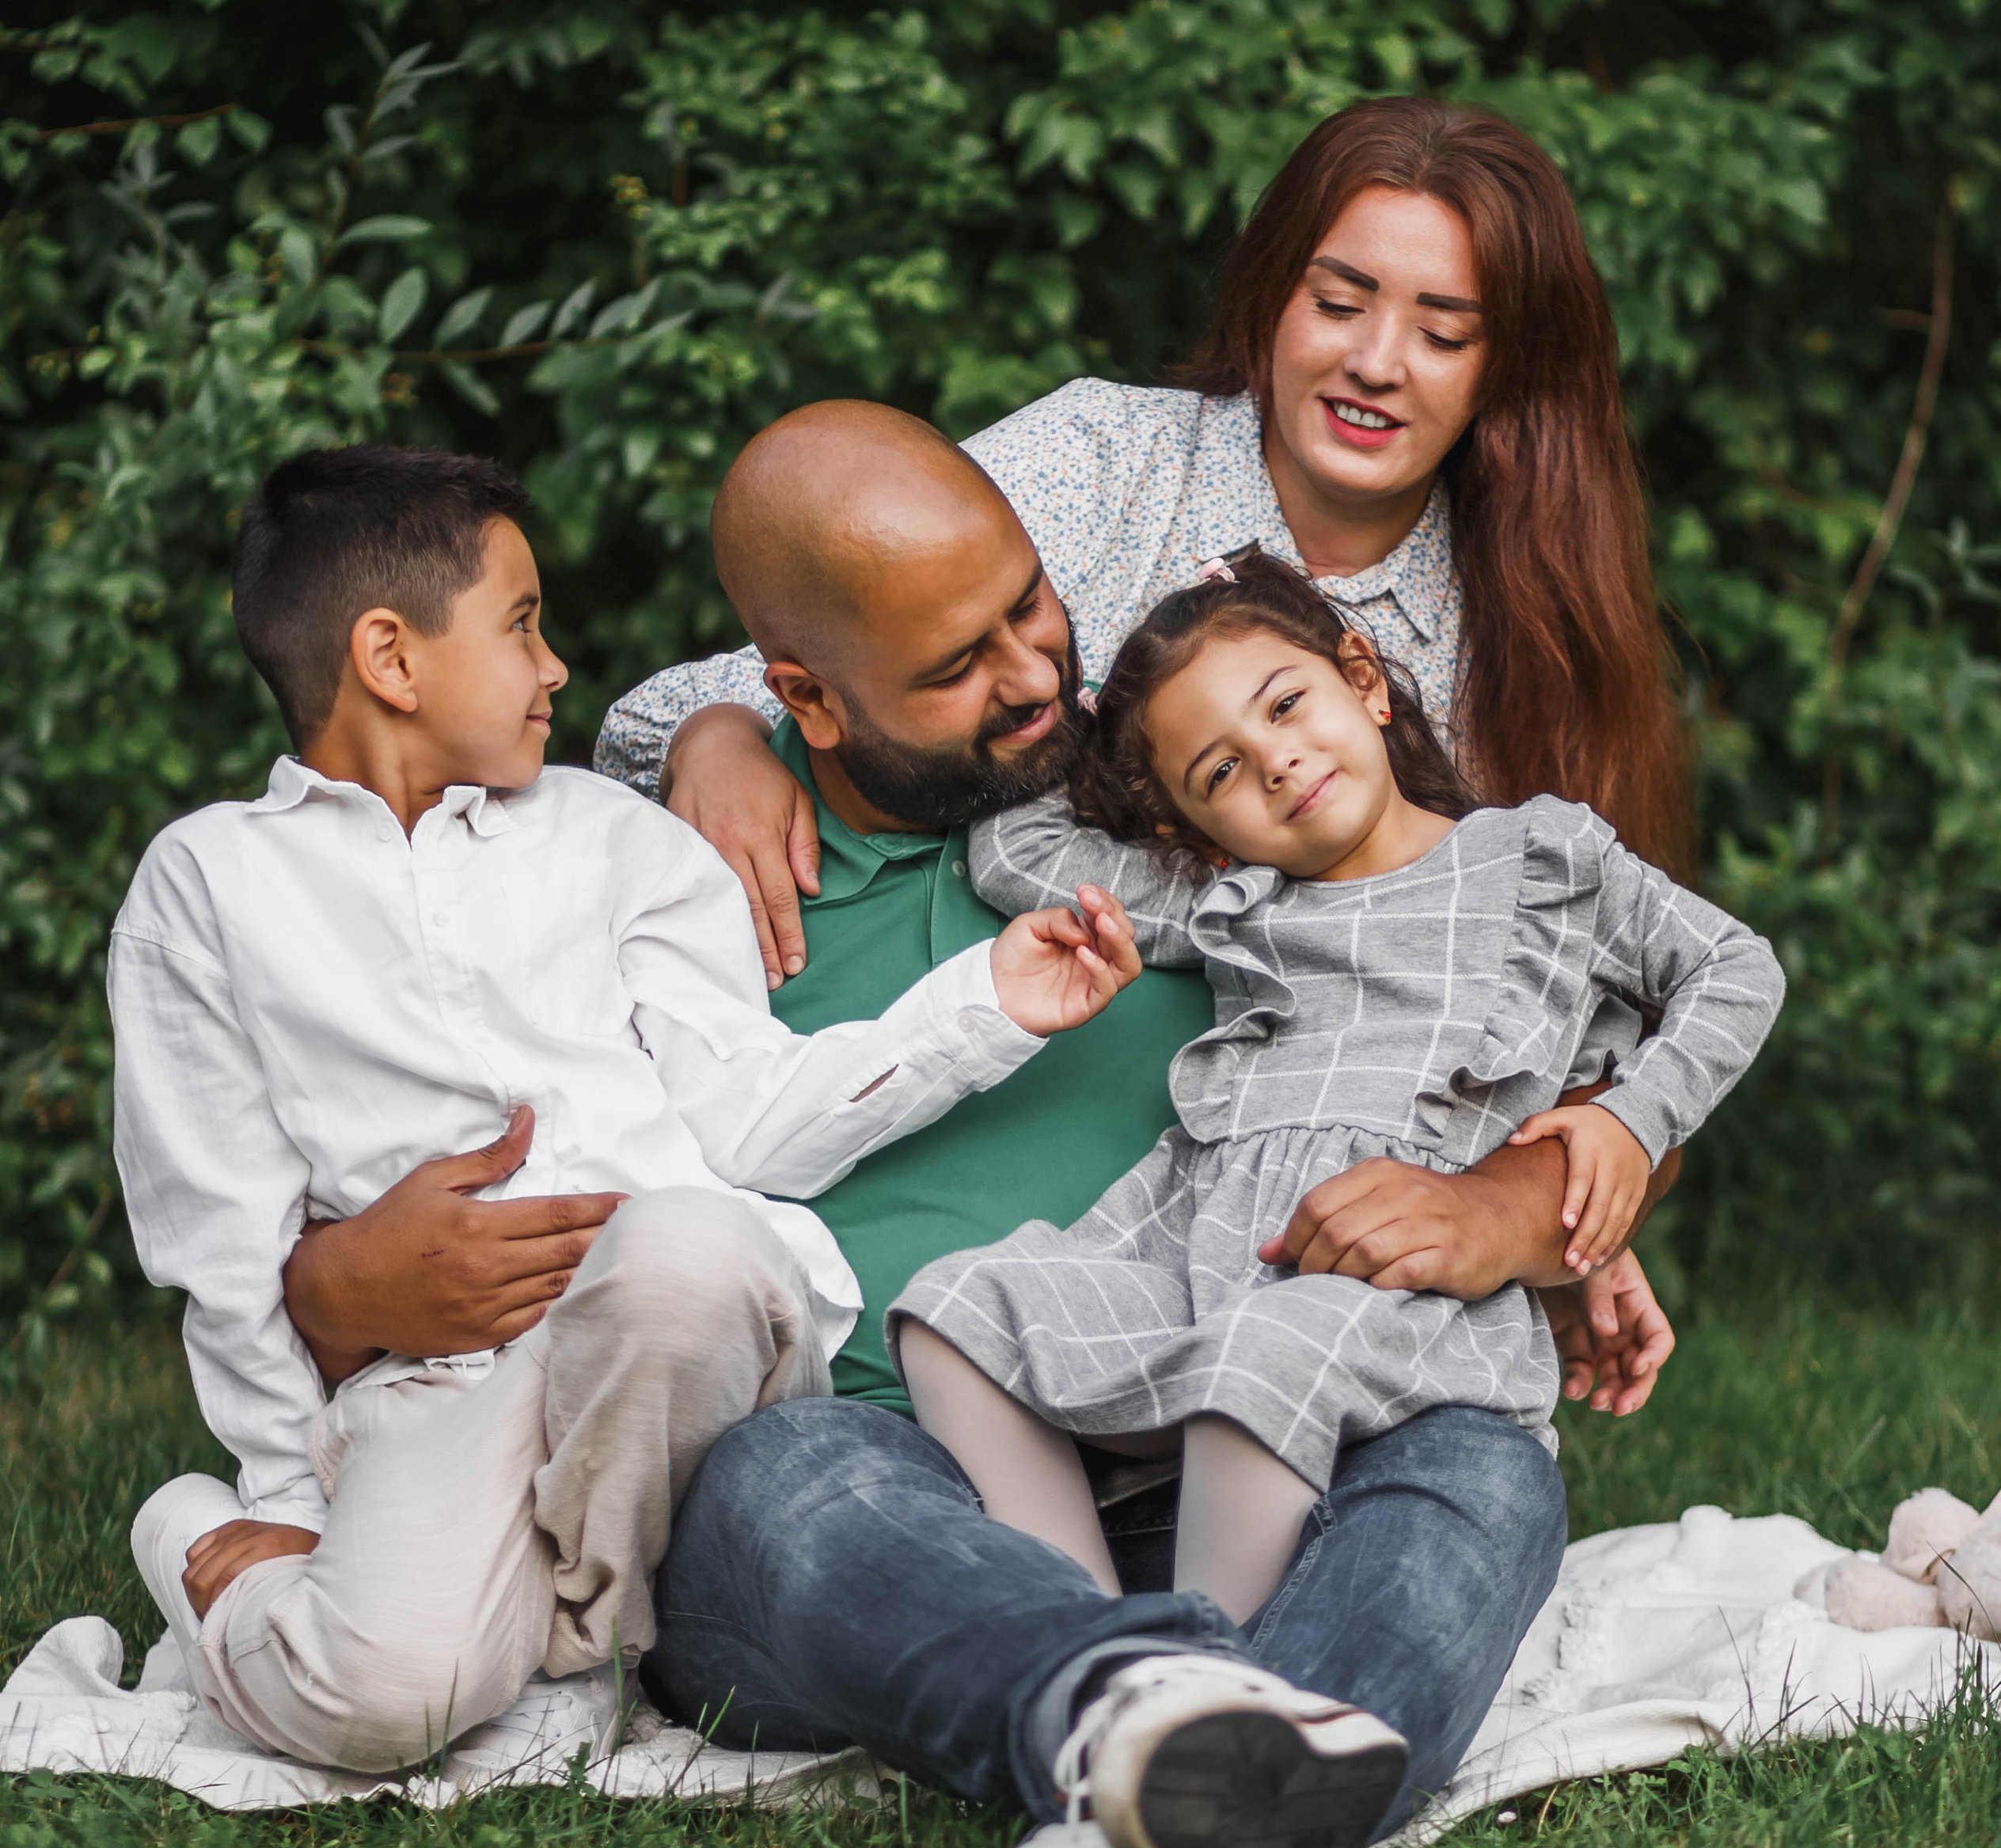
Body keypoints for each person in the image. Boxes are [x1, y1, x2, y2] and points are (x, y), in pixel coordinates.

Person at [283, 408, 1642, 1848]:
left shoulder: (1184, 810)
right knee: (784, 1484)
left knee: (1481, 1464)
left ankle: (1154, 1816)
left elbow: (1450, 987)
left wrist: (1536, 1187)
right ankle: (1169, 1737)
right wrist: (331, 1288)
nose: (1030, 678)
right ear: (797, 692)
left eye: (1029, 606)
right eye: (954, 666)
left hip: (1249, 1431)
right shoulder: (670, 890)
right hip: (889, 1519)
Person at [600, 92, 1688, 1397]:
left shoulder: (1517, 631)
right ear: (1274, 298)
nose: (1375, 361)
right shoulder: (1105, 462)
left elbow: (1612, 1024)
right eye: (1338, 303)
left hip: (1302, 1206)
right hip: (983, 1065)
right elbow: (781, 656)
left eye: (1442, 332)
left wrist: (1538, 1210)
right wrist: (714, 734)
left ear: (1505, 367)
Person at [109, 444, 1141, 1774]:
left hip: (693, 1346)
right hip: (443, 1397)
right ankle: (198, 1543)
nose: (556, 670)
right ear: (391, 657)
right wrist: (284, 1502)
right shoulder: (207, 888)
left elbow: (750, 1121)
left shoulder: (613, 837)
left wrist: (984, 1005)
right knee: (377, 1701)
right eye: (524, 626)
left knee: (687, 1248)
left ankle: (581, 1646)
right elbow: (221, 1239)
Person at [895, 552, 1785, 1629]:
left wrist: (1630, 1120)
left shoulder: (1539, 860)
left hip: (1397, 1286)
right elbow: (1011, 848)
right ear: (1191, 829)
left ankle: (1195, 1674)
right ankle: (1084, 1645)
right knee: (952, 1307)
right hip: (1201, 1260)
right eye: (1218, 772)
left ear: (1363, 678)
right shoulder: (1232, 903)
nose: (1274, 761)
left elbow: (1735, 969)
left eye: (1286, 704)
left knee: (1261, 1353)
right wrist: (1083, 716)